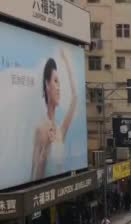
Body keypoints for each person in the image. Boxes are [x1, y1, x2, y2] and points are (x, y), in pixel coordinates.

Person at [31, 52, 78, 181]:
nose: (59, 88)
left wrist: (67, 62)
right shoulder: (40, 129)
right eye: (55, 81)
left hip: (62, 189)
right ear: (47, 84)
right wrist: (46, 149)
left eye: (60, 83)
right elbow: (34, 178)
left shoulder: (60, 130)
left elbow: (75, 98)